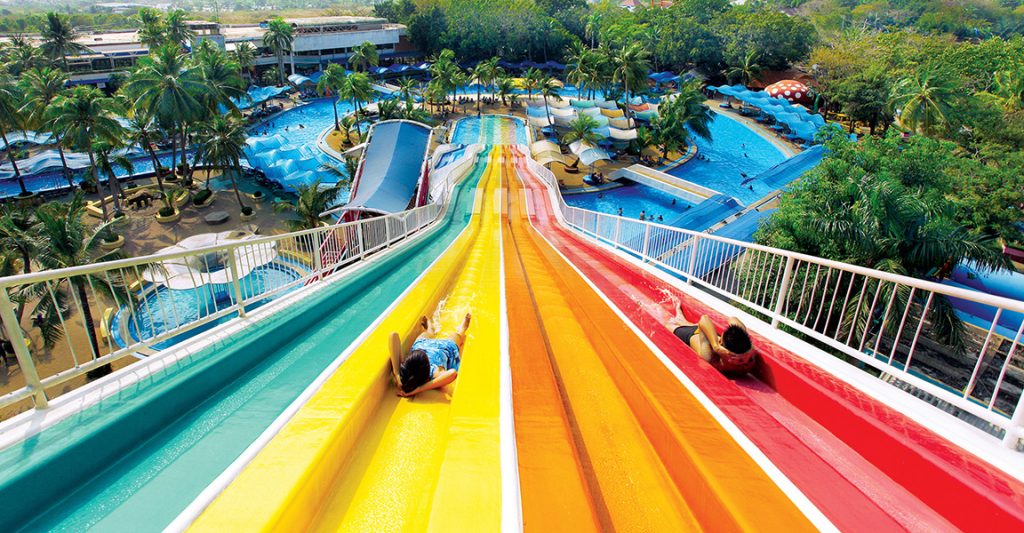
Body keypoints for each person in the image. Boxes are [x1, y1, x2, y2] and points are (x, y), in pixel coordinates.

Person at [390, 312, 472, 397]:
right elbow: (452, 373)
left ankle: (457, 328)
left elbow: (393, 335)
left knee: (452, 335)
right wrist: (397, 374)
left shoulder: (430, 372)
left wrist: (397, 374)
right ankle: (432, 327)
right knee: (455, 335)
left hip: (429, 346)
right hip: (428, 346)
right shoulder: (429, 372)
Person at [667, 303, 756, 376]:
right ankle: (681, 319)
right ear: (722, 350)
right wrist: (715, 346)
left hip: (710, 336)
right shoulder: (711, 357)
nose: (743, 364)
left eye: (743, 359)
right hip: (692, 335)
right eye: (737, 359)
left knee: (691, 326)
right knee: (668, 326)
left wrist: (749, 348)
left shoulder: (747, 358)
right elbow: (704, 319)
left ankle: (682, 320)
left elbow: (733, 319)